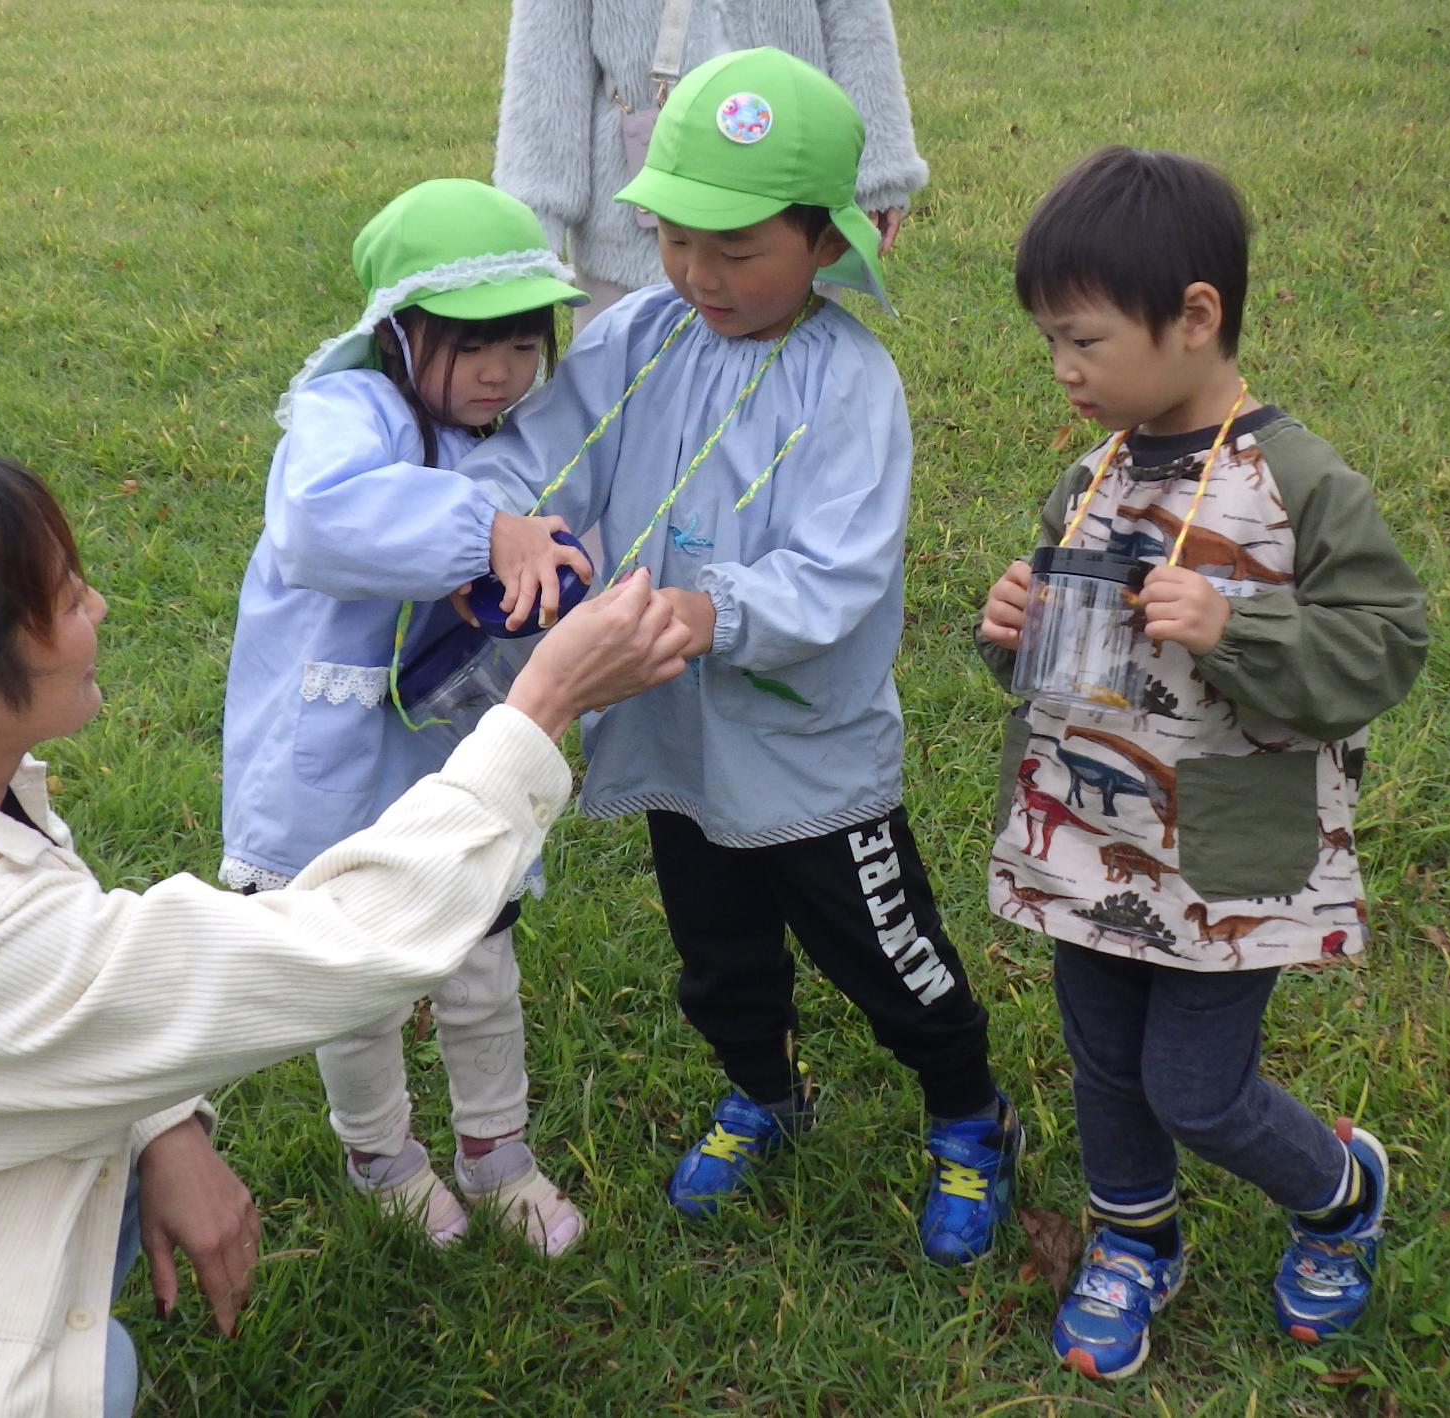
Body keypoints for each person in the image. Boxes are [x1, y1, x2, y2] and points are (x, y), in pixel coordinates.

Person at [0, 430, 686, 1418]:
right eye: (62, 598)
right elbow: (331, 946)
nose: (97, 603)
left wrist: (163, 1123)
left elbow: (82, 991)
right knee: (85, 1376)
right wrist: (540, 703)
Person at [463, 49, 1020, 1266]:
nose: (697, 275)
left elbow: (839, 572)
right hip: (674, 733)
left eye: (736, 251)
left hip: (806, 749)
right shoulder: (639, 336)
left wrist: (712, 612)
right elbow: (549, 441)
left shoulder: (849, 381)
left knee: (885, 950)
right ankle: (762, 1090)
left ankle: (969, 1111)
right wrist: (509, 524)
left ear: (825, 242)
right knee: (715, 953)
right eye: (673, 239)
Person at [974, 147, 1429, 1378]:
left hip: (1227, 845)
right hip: (1085, 831)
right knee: (1102, 1061)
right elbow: (1060, 661)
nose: (1061, 370)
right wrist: (1006, 626)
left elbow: (1388, 641)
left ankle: (1338, 1191)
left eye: (1080, 341)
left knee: (1193, 1083)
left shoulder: (1295, 481)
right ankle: (1135, 1238)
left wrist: (1236, 624)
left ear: (1193, 317)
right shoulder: (1093, 472)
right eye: (1048, 344)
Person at [223, 178, 596, 1255]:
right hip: (334, 759)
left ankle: (497, 1150)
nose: (501, 370)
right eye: (471, 343)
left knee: (479, 957)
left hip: (446, 751)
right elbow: (318, 519)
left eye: (525, 342)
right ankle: (378, 1152)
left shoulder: (498, 429)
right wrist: (488, 531)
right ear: (394, 330)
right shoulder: (345, 417)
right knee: (358, 978)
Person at [494, 0, 926, 331]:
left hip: (790, 177)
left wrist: (878, 167)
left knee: (786, 374)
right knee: (627, 390)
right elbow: (546, 60)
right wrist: (531, 222)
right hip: (630, 218)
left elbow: (857, 23)